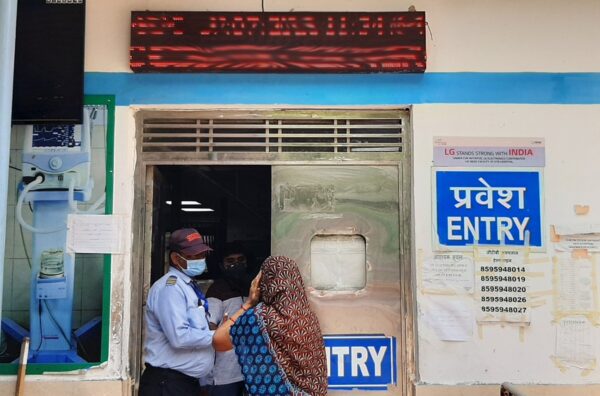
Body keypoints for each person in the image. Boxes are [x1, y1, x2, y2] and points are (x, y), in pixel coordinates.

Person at [213, 256, 328, 396]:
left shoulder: (260, 317)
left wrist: (248, 303)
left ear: (265, 284)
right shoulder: (309, 318)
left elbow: (219, 341)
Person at [139, 228, 215, 396]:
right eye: (193, 256)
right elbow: (179, 337)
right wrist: (216, 336)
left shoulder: (188, 286)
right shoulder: (170, 289)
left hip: (184, 383)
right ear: (175, 258)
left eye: (202, 255)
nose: (200, 260)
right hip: (167, 384)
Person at [204, 242, 253, 396]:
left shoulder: (251, 288)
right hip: (224, 373)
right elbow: (209, 326)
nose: (236, 265)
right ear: (221, 266)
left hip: (249, 371)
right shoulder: (217, 290)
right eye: (230, 262)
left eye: (240, 260)